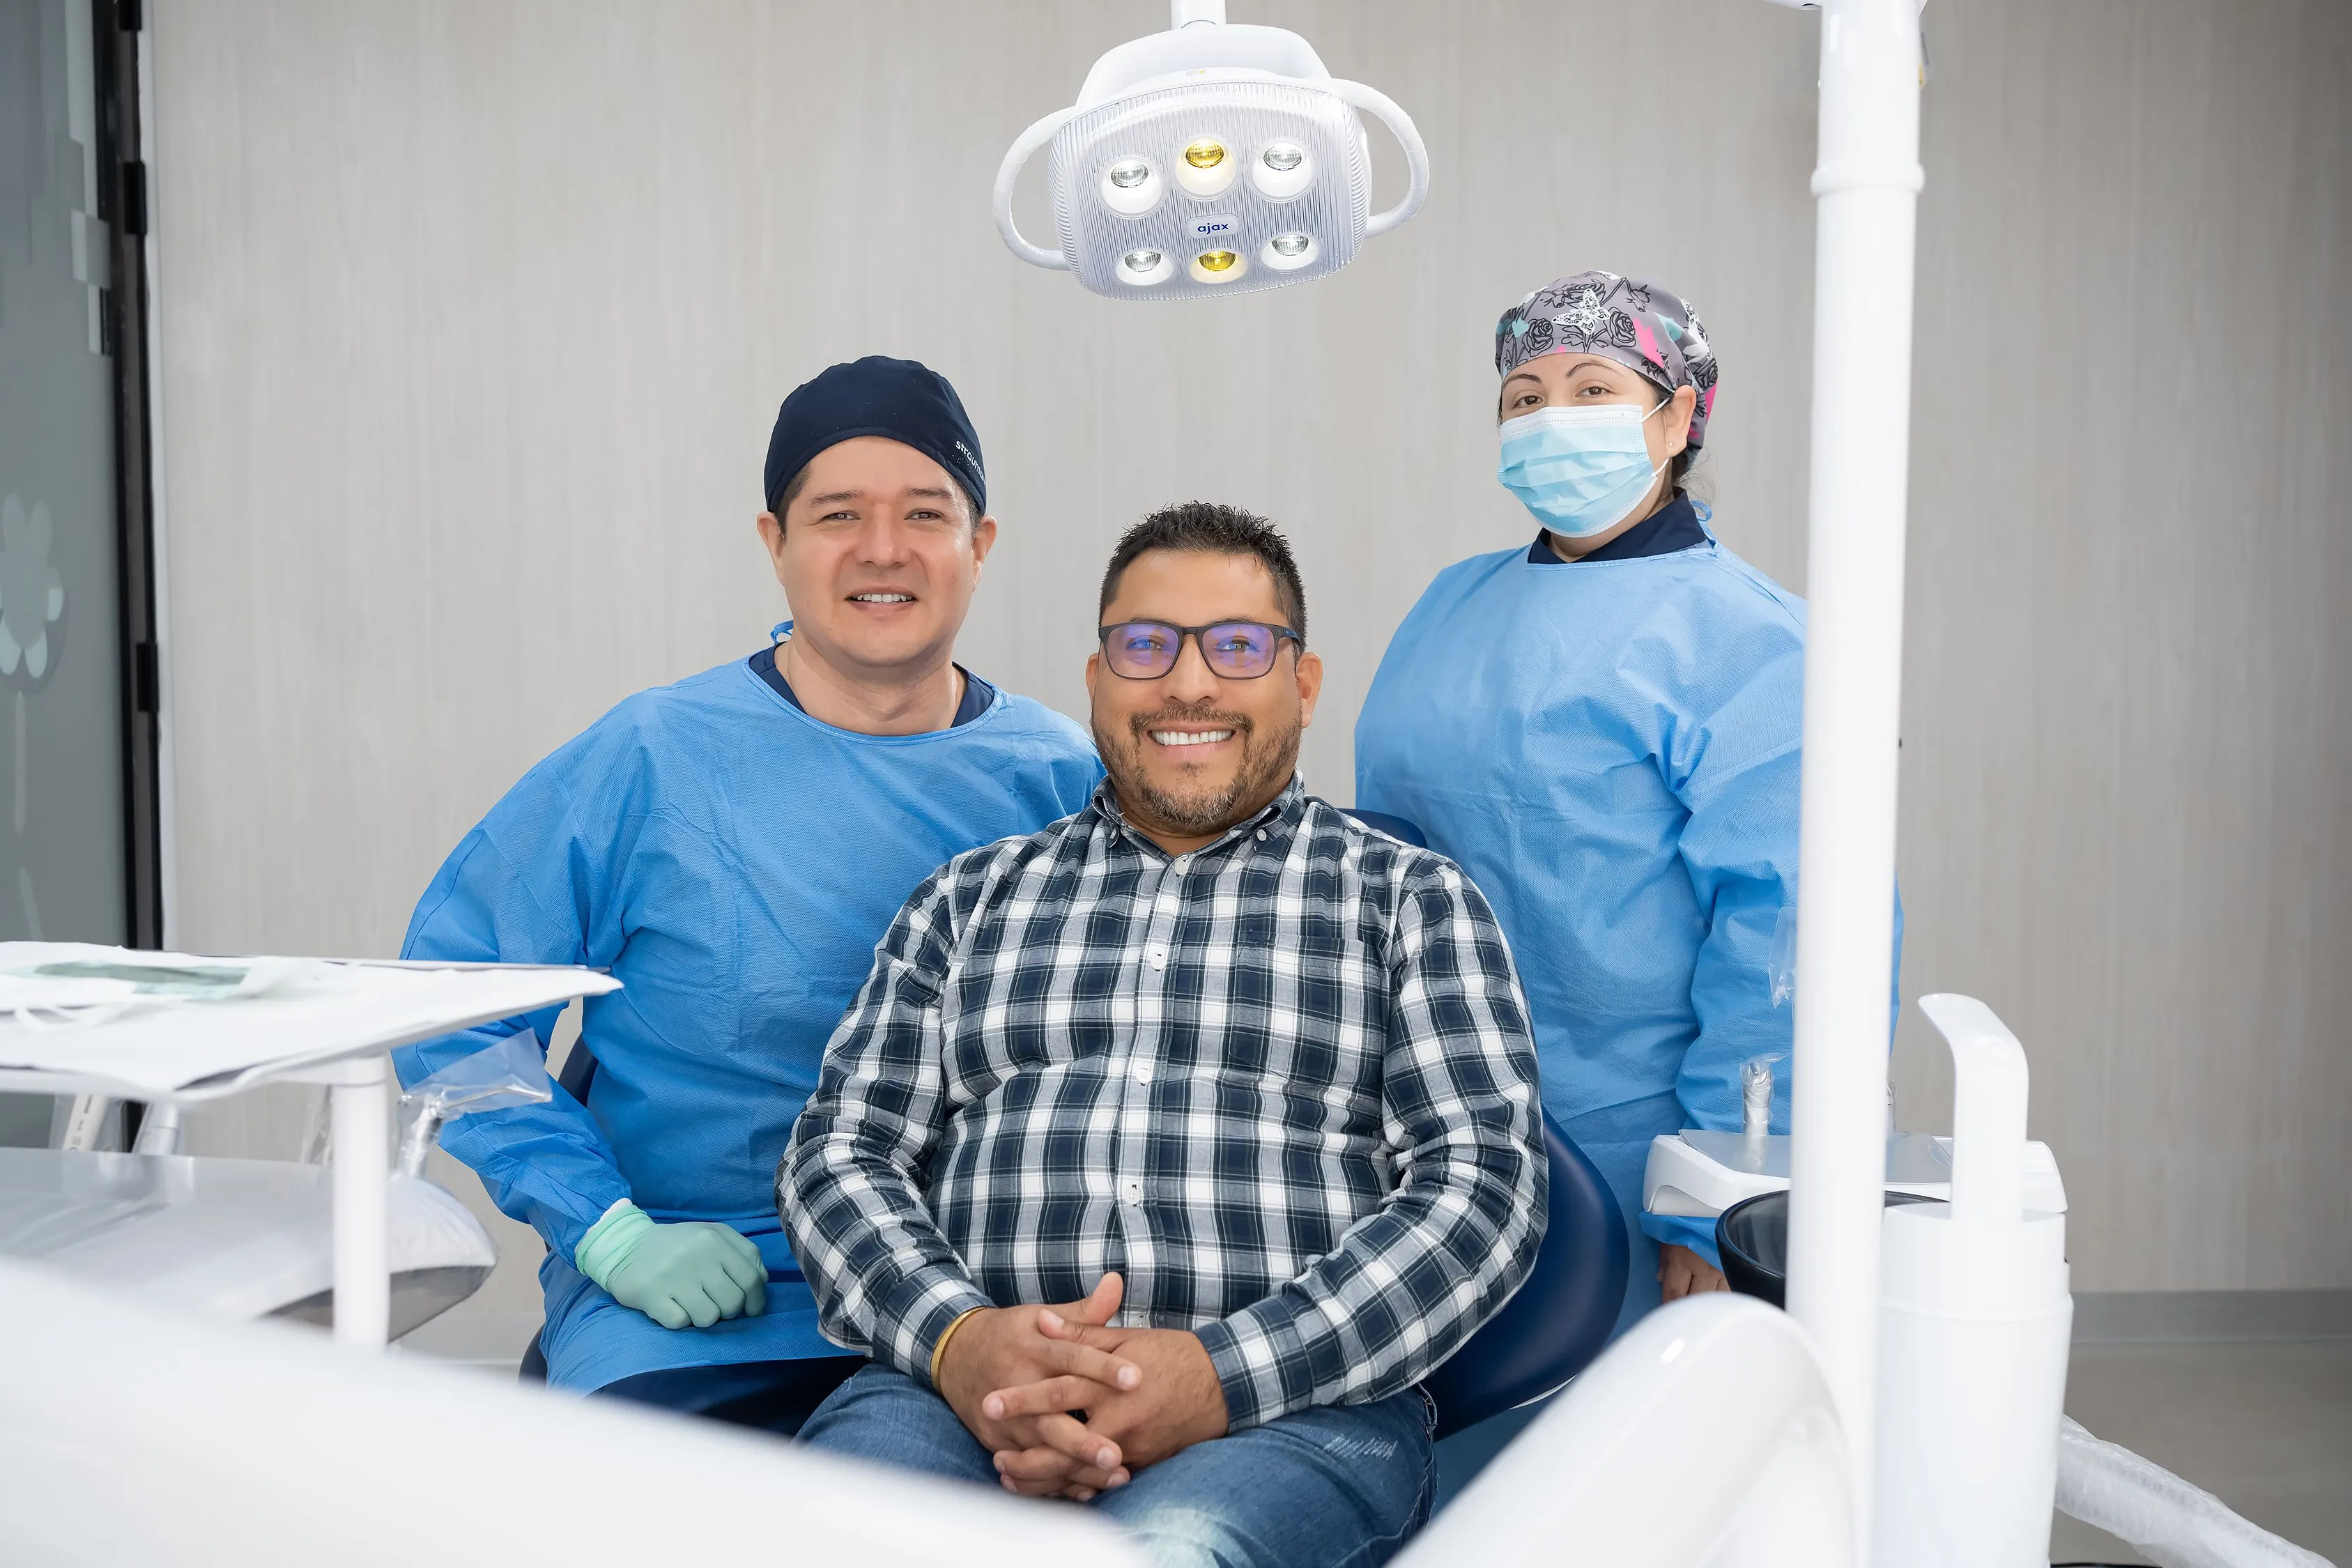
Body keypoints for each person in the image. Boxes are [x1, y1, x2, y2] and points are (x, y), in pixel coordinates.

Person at [781, 503, 1546, 1568]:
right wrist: (959, 1339)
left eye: (1237, 646)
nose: (1189, 684)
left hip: (1294, 1413)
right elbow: (839, 1151)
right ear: (1097, 680)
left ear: (1303, 683)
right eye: (1145, 645)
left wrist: (1220, 1374)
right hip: (956, 1396)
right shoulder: (966, 898)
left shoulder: (1408, 900)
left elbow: (1483, 1190)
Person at [393, 356, 1101, 1433]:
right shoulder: (655, 759)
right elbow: (449, 1006)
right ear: (775, 541)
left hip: (970, 1303)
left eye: (925, 512)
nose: (883, 548)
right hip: (699, 1306)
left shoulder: (1060, 777)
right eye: (837, 515)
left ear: (979, 544)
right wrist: (608, 1231)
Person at [1354, 271, 1898, 1331]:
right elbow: (1380, 854)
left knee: (1619, 1425)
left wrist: (1722, 1198)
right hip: (1424, 1133)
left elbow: (1794, 939)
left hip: (1634, 1163)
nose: (1551, 418)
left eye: (1593, 389)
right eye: (1525, 397)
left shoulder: (1757, 643)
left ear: (1678, 416)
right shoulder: (1451, 604)